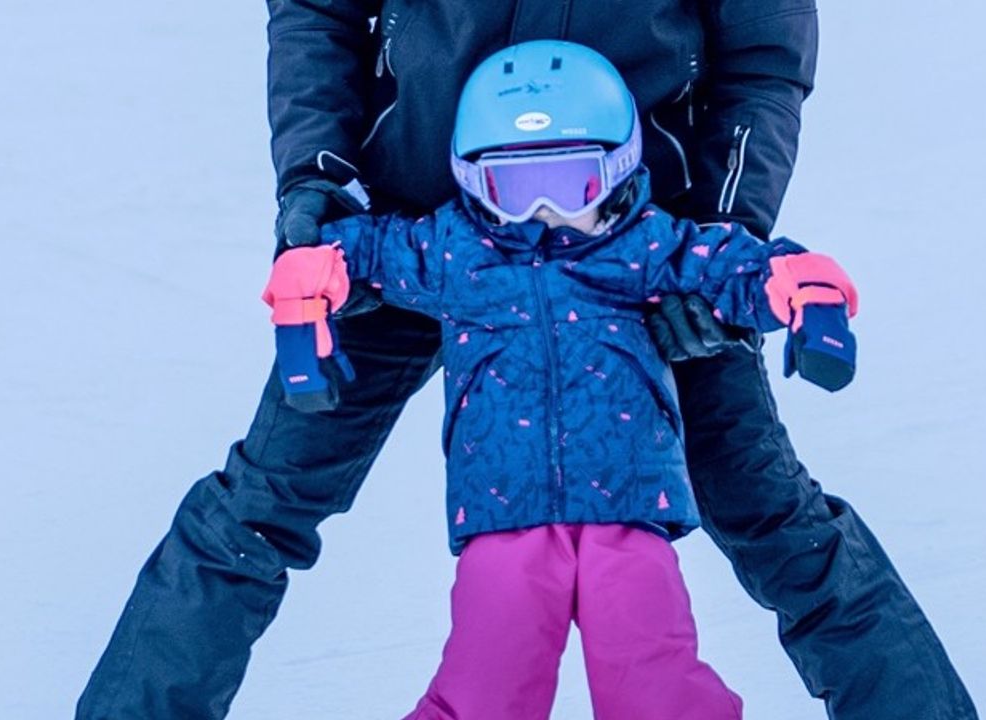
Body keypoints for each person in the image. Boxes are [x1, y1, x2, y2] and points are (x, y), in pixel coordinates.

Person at [76, 2, 978, 719]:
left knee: (774, 516)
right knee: (258, 509)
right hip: (404, 231)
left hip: (628, 245)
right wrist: (320, 182)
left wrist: (726, 234)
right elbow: (317, 9)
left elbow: (762, 57)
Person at [263, 40, 856, 718]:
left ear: (620, 169)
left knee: (654, 683)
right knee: (484, 687)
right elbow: (356, 250)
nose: (540, 210)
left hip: (629, 513)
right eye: (512, 187)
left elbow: (733, 266)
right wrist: (309, 285)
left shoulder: (644, 244)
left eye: (572, 181)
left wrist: (802, 291)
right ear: (470, 177)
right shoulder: (454, 250)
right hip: (502, 517)